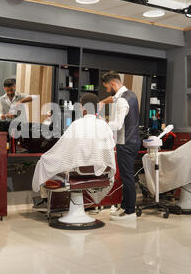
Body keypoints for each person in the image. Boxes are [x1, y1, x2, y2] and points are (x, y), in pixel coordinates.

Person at [32, 93, 116, 207]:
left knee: (43, 162)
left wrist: (46, 158)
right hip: (101, 171)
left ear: (83, 108)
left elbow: (62, 149)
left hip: (79, 171)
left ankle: (45, 200)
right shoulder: (105, 126)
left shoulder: (76, 124)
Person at [100, 71, 141, 221]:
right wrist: (103, 102)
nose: (106, 90)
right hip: (133, 140)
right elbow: (113, 97)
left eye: (106, 87)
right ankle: (125, 206)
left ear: (113, 84)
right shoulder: (131, 95)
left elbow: (117, 125)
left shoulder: (122, 101)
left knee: (127, 177)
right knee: (126, 176)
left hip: (126, 143)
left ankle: (130, 211)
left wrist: (102, 123)